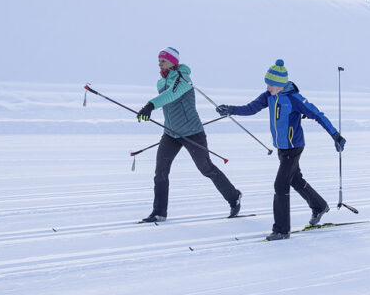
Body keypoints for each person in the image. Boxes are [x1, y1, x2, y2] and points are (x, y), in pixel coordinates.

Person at [216, 59, 345, 241]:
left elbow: (317, 114)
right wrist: (231, 109)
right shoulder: (268, 96)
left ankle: (282, 230)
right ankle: (319, 206)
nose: (267, 86)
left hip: (294, 147)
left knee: (281, 185)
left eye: (271, 84)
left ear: (280, 84)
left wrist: (335, 135)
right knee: (295, 180)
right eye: (267, 83)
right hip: (282, 148)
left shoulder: (294, 99)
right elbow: (251, 108)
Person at [136, 47, 241, 223]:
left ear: (173, 62)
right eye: (159, 61)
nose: (160, 64)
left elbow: (171, 95)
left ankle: (234, 197)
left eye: (163, 61)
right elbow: (168, 102)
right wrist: (151, 109)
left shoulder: (183, 78)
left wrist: (150, 105)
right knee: (160, 172)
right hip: (170, 133)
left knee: (206, 168)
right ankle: (159, 212)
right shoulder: (160, 82)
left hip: (192, 132)